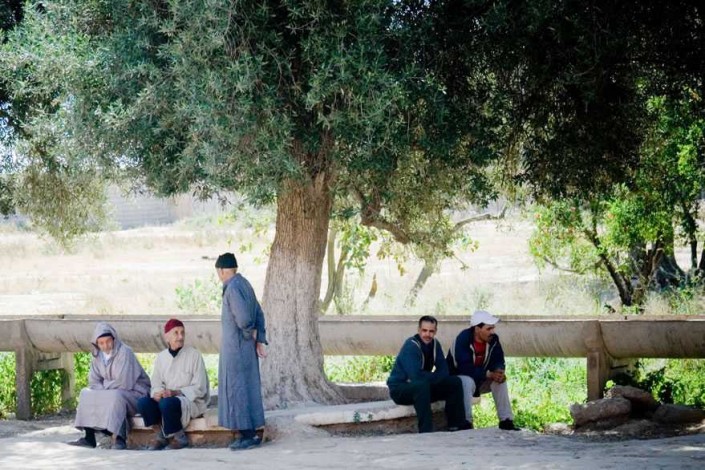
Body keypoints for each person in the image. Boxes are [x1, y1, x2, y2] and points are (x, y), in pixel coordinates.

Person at [69, 322, 151, 450]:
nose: (105, 346)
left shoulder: (125, 352)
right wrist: (104, 389)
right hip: (111, 392)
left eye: (108, 341)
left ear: (114, 339)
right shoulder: (96, 355)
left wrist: (104, 387)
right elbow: (93, 381)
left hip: (135, 392)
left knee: (115, 396)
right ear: (97, 343)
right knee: (86, 393)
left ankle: (119, 438)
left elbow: (124, 382)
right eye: (101, 343)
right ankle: (89, 437)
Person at [215, 252, 268, 451]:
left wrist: (250, 332)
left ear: (221, 271)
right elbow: (259, 312)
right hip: (244, 347)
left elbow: (245, 318)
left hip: (236, 348)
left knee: (237, 390)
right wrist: (259, 338)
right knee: (245, 387)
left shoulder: (232, 289)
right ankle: (247, 433)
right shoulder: (245, 284)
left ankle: (248, 435)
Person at [386, 315, 470, 433]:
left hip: (422, 386)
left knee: (454, 382)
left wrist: (432, 377)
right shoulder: (411, 346)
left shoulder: (435, 345)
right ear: (419, 330)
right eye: (424, 330)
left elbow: (444, 370)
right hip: (400, 389)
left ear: (435, 331)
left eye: (431, 331)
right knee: (421, 385)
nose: (427, 334)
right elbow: (415, 376)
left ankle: (456, 425)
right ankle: (426, 431)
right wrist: (435, 377)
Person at [137, 318, 210, 450]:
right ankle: (161, 436)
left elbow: (200, 387)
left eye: (182, 332)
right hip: (167, 398)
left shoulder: (194, 355)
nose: (180, 336)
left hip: (190, 400)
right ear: (167, 337)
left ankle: (179, 438)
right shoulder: (161, 357)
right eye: (176, 333)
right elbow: (156, 383)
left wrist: (176, 392)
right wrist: (158, 393)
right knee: (143, 403)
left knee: (168, 403)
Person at [447, 310, 520, 431]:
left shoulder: (494, 339)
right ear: (477, 329)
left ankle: (506, 421)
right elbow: (464, 369)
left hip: (479, 380)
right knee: (466, 381)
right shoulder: (463, 339)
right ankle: (466, 422)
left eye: (493, 328)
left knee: (500, 381)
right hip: (456, 382)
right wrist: (488, 374)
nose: (492, 332)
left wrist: (498, 371)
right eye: (489, 329)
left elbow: (498, 359)